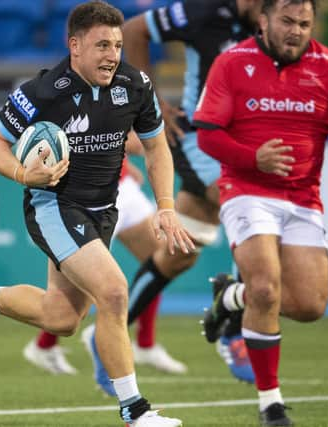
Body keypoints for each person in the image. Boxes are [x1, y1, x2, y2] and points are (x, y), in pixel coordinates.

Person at [0, 2, 193, 425]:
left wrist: (166, 206)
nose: (112, 54)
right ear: (75, 47)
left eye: (118, 45)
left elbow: (157, 146)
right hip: (54, 205)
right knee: (115, 292)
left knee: (61, 317)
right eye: (102, 45)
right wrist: (21, 172)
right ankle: (136, 411)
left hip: (104, 210)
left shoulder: (134, 83)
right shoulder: (43, 91)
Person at [193, 0, 328, 425]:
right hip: (246, 190)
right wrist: (251, 158)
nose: (296, 31)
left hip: (302, 199)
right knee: (265, 287)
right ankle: (271, 405)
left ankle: (229, 297)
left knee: (310, 306)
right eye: (287, 21)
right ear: (264, 21)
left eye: (304, 23)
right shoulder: (231, 63)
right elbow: (207, 135)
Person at [113, 0, 265, 384]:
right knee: (244, 203)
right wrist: (150, 102)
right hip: (201, 137)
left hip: (249, 140)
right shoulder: (204, 11)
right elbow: (133, 31)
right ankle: (231, 330)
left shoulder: (278, 23)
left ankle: (114, 330)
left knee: (179, 255)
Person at [24, 151, 193, 378]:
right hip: (93, 190)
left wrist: (122, 158)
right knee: (89, 271)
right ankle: (44, 345)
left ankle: (145, 344)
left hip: (121, 181)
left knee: (160, 259)